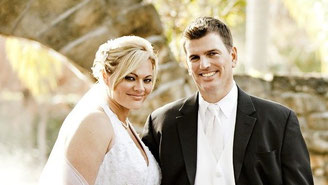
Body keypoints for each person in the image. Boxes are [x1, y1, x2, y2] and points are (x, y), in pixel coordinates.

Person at [142, 17, 313, 185]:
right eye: (195, 57)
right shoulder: (161, 123)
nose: (204, 65)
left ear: (233, 56)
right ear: (187, 65)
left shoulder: (280, 121)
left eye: (212, 53)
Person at [39, 36, 161, 185]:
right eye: (130, 78)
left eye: (147, 80)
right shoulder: (96, 123)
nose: (140, 88)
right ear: (106, 76)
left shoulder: (123, 125)